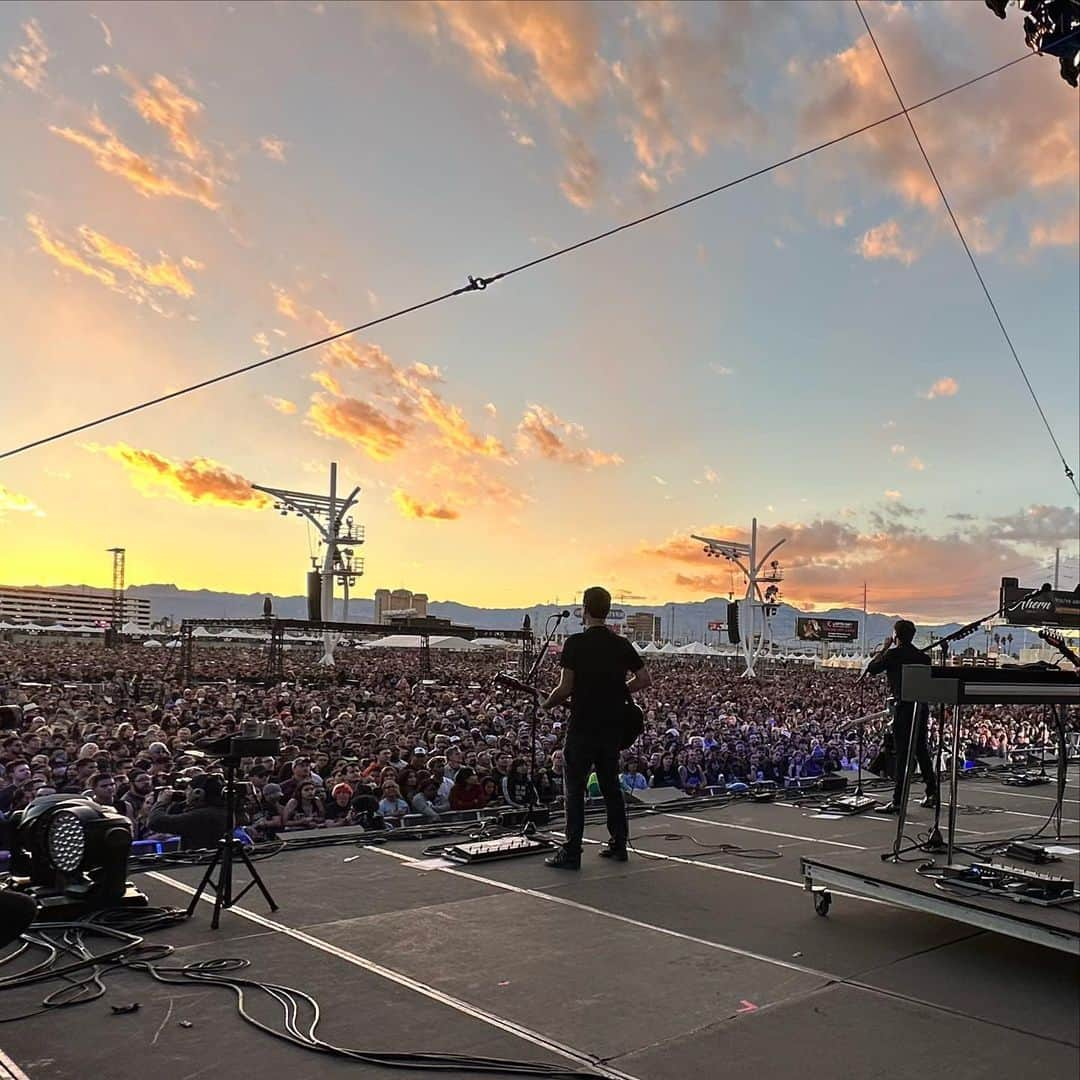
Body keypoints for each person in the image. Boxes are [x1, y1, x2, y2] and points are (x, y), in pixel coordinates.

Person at [541, 585, 651, 869]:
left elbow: (565, 688)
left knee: (575, 790)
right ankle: (618, 844)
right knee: (611, 786)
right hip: (612, 728)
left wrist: (547, 704)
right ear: (607, 609)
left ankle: (572, 852)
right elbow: (643, 679)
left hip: (582, 727)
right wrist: (619, 691)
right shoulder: (621, 644)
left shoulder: (575, 643)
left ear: (584, 610)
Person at [864, 619, 937, 814]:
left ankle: (898, 801)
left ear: (896, 636)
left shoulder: (893, 654)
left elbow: (872, 669)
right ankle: (932, 793)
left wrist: (885, 648)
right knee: (921, 750)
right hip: (921, 707)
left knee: (903, 755)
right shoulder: (923, 658)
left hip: (903, 708)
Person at [147, 774, 228, 850]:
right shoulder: (223, 810)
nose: (185, 793)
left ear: (198, 793)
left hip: (201, 862)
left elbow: (156, 822)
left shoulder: (203, 815)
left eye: (188, 789)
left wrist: (161, 802)